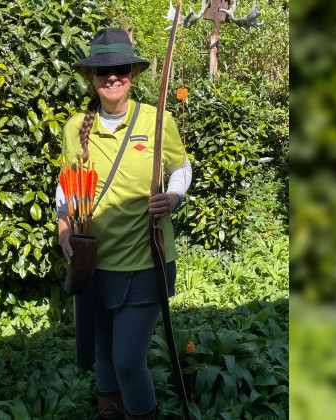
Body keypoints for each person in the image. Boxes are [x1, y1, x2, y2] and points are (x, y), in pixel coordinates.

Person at [55, 27, 192, 420]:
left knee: (128, 360)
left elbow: (181, 167)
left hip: (146, 260)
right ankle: (110, 411)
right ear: (91, 77)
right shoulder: (75, 128)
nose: (112, 77)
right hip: (94, 262)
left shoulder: (157, 120)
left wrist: (174, 196)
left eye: (121, 69)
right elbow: (66, 185)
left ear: (132, 73)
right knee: (103, 351)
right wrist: (64, 228)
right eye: (103, 71)